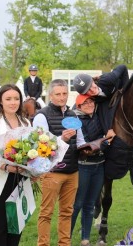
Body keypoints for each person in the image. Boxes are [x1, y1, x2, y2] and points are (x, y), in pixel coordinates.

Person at [33, 79, 85, 246]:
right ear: (50, 95)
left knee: (67, 212)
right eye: (58, 94)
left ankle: (64, 243)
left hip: (72, 171)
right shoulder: (42, 116)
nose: (62, 97)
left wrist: (93, 146)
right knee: (46, 213)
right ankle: (43, 244)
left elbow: (80, 140)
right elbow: (41, 144)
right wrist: (62, 138)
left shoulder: (73, 115)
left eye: (64, 94)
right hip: (52, 172)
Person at [0, 84, 30, 246]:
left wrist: (34, 169)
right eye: (8, 99)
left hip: (21, 179)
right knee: (0, 227)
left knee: (16, 226)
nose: (13, 102)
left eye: (16, 99)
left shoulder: (26, 123)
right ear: (0, 101)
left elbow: (33, 149)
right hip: (2, 180)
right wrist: (6, 166)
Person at [71, 94, 107, 246]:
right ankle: (66, 237)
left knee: (90, 204)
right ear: (78, 106)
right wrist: (104, 140)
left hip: (99, 165)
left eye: (90, 101)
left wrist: (102, 142)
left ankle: (85, 238)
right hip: (84, 166)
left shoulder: (100, 116)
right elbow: (86, 147)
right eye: (84, 103)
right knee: (78, 203)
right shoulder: (76, 121)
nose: (88, 105)